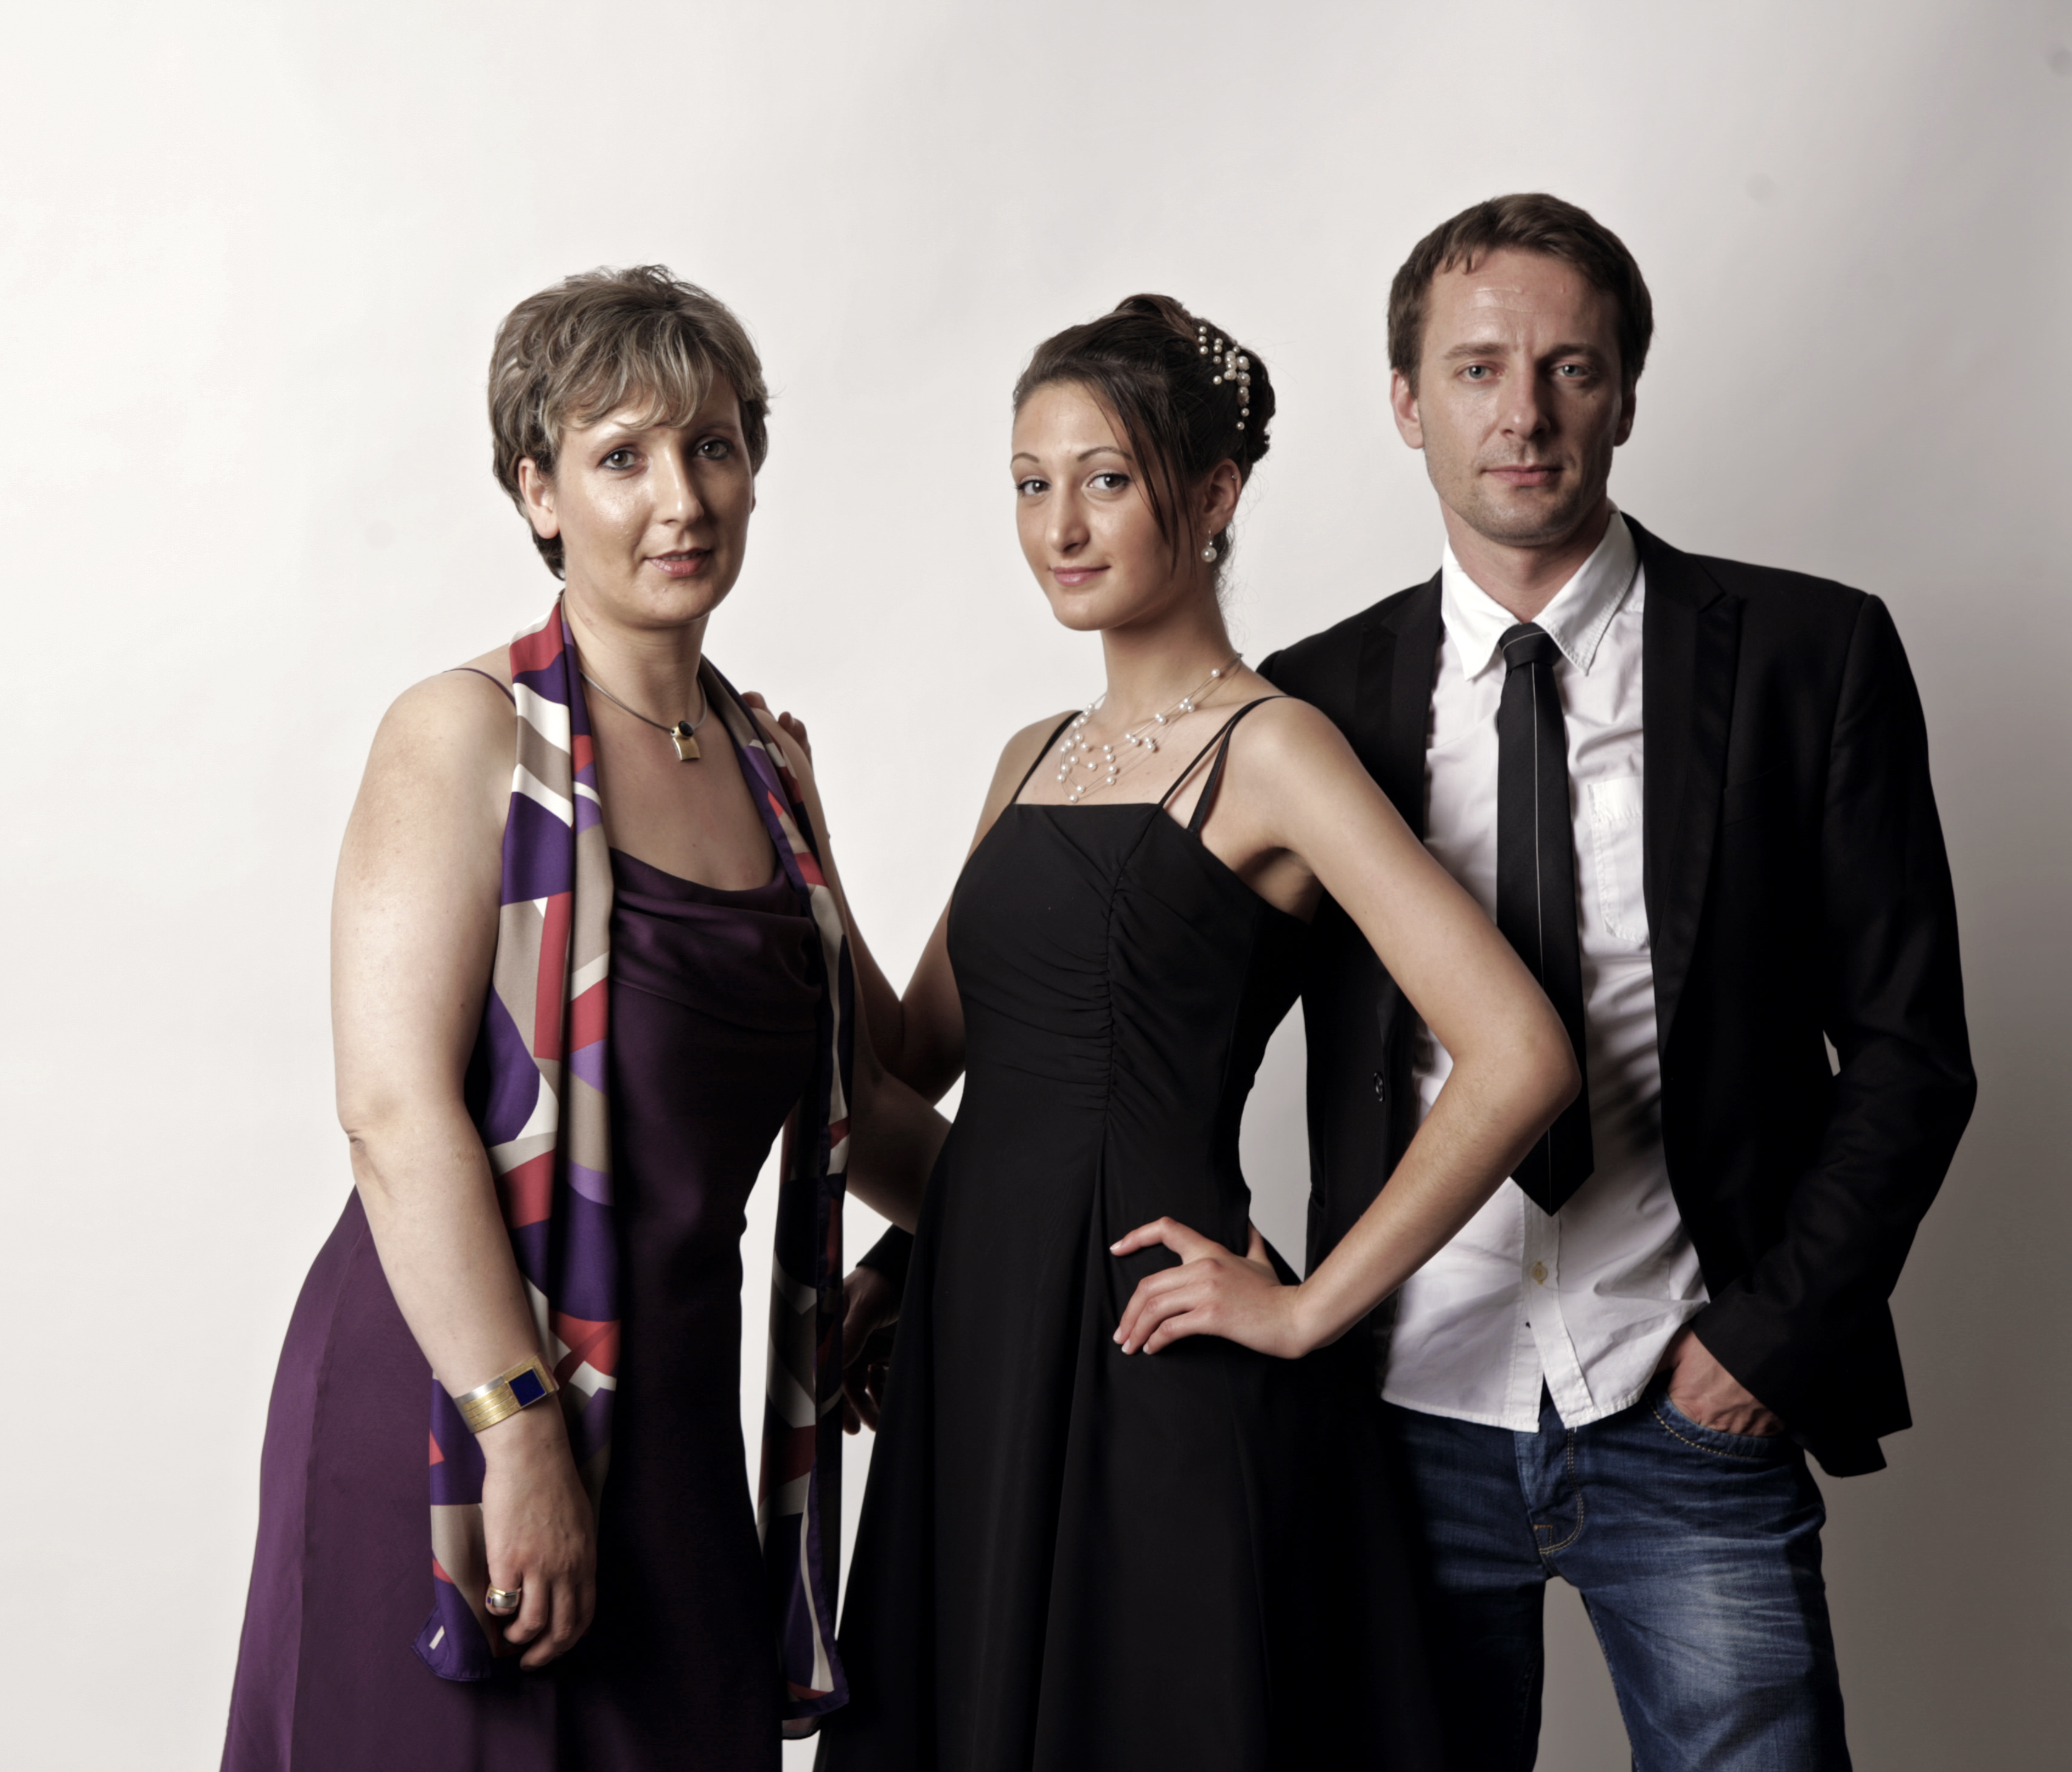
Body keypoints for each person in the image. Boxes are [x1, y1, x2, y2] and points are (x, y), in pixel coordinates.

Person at [1256, 194, 1976, 1771]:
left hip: (1690, 1391)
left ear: (1627, 395)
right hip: (1404, 1409)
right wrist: (944, 1240)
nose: (1523, 414)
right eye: (1477, 369)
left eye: (1569, 368)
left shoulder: (1809, 658)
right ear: (1406, 402)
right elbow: (1172, 1029)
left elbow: (1911, 1052)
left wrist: (1766, 1345)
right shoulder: (1310, 705)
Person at [815, 295, 1580, 1771]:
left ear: (1216, 493)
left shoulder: (1274, 749)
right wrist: (811, 849)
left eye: (1106, 478)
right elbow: (913, 1063)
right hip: (976, 1349)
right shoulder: (1030, 756)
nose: (1059, 526)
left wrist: (1309, 1307)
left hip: (1148, 1353)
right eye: (1030, 483)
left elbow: (1522, 1052)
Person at [218, 264, 943, 1771]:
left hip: (673, 1420)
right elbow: (392, 1110)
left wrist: (1059, 1222)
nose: (682, 498)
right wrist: (520, 1427)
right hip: (458, 1389)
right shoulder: (465, 732)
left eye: (714, 446)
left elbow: (862, 1099)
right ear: (538, 491)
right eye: (623, 457)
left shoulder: (769, 771)